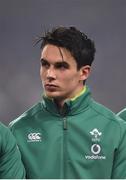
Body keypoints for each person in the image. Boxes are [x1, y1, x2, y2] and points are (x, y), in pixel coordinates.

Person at [9, 26, 126, 179]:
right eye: (45, 64)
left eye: (61, 66)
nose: (49, 74)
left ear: (84, 72)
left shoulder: (116, 130)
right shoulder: (18, 130)